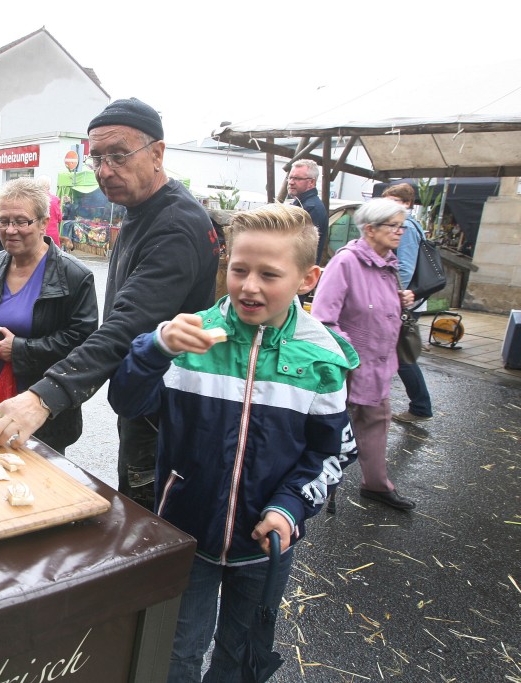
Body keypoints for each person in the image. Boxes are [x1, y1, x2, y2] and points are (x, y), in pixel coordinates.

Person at [109, 203, 358, 681]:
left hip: (266, 544)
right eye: (240, 269)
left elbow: (332, 451)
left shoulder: (322, 357)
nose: (249, 286)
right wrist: (156, 347)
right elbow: (127, 401)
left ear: (308, 279)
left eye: (270, 274)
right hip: (187, 532)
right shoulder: (192, 337)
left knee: (241, 655)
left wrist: (290, 507)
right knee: (175, 653)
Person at [0, 98, 220, 511]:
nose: (105, 170)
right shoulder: (141, 207)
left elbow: (127, 325)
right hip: (142, 397)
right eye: (97, 158)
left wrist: (44, 397)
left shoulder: (175, 226)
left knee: (151, 521)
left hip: (168, 412)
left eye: (119, 155)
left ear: (157, 153)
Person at [0, 179, 98, 453]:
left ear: (43, 223)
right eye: (3, 221)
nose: (10, 230)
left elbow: (83, 344)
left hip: (40, 412)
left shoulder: (74, 276)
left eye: (21, 221)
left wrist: (21, 349)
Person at [312, 198, 418, 510]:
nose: (399, 232)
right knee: (331, 429)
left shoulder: (389, 262)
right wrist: (350, 354)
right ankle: (310, 487)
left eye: (401, 226)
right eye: (393, 226)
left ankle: (376, 485)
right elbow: (323, 317)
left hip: (380, 365)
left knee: (377, 422)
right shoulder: (346, 262)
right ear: (370, 229)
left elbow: (377, 306)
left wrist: (401, 300)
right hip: (350, 367)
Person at [382, 183, 434, 425]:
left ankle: (421, 407)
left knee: (402, 356)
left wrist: (393, 298)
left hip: (404, 301)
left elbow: (404, 268)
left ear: (407, 203)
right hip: (404, 300)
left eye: (395, 201)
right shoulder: (405, 224)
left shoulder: (407, 227)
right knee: (397, 354)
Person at [287, 159, 329, 264]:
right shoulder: (300, 204)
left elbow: (301, 248)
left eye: (297, 178)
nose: (291, 182)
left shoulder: (311, 208)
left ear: (311, 182)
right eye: (290, 177)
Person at [37, 176, 62, 247]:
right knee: (53, 252)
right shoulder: (55, 199)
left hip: (38, 233)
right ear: (49, 186)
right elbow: (59, 218)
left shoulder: (34, 200)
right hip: (52, 234)